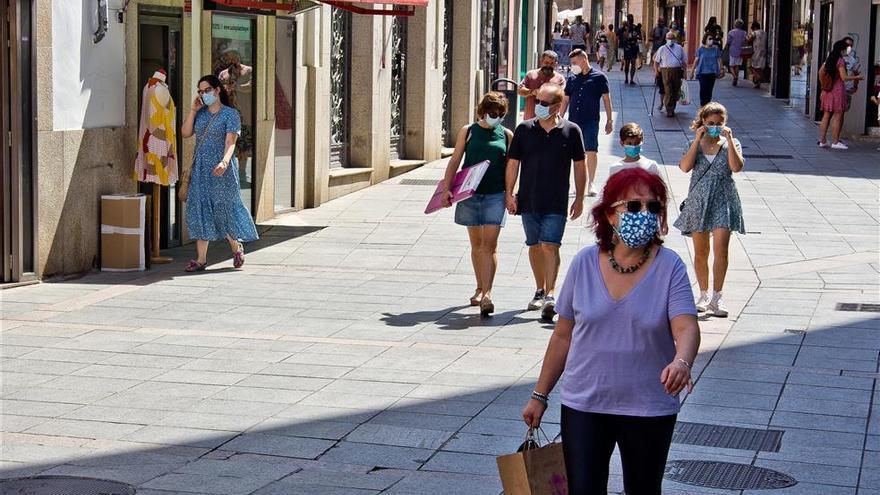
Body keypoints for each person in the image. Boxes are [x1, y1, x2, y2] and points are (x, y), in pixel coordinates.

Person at [521, 167, 700, 495]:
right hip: (585, 404)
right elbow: (562, 335)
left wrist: (682, 362)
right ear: (610, 215)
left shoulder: (670, 266)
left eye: (653, 207)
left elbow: (686, 326)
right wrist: (540, 395)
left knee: (643, 490)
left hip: (648, 405)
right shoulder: (584, 263)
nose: (644, 214)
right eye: (633, 207)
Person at [505, 84, 587, 321]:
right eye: (537, 101)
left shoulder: (571, 131)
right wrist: (509, 193)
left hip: (557, 200)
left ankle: (551, 293)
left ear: (557, 105)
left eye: (543, 103)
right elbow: (513, 163)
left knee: (551, 245)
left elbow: (579, 166)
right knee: (534, 245)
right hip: (529, 198)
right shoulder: (524, 129)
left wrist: (580, 197)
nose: (538, 106)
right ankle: (539, 289)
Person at [441, 92, 513, 316]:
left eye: (501, 114)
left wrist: (510, 194)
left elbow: (512, 166)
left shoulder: (507, 135)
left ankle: (487, 294)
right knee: (476, 245)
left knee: (489, 246)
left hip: (495, 195)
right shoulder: (468, 131)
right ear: (483, 111)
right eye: (493, 113)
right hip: (469, 195)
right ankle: (479, 287)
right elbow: (455, 160)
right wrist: (446, 188)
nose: (497, 117)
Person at [181, 75, 259, 272]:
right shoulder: (200, 114)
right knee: (200, 208)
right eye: (200, 91)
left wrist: (224, 161)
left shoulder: (230, 114)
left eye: (207, 90)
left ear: (217, 90)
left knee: (223, 209)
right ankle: (201, 260)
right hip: (200, 169)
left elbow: (230, 142)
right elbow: (185, 133)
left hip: (221, 169)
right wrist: (193, 110)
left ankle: (236, 246)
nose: (203, 94)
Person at [674, 102, 744, 317]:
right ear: (703, 122)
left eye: (718, 123)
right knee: (701, 250)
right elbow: (685, 167)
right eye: (710, 122)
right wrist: (697, 139)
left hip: (723, 199)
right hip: (699, 200)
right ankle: (703, 294)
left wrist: (730, 140)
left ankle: (717, 296)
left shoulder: (732, 142)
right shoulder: (694, 143)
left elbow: (736, 167)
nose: (714, 126)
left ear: (725, 123)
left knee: (721, 248)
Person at [561, 49, 613, 197]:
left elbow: (607, 100)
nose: (573, 66)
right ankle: (576, 183)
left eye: (575, 62)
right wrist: (559, 118)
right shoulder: (572, 79)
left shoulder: (600, 77)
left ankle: (591, 183)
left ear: (584, 60)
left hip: (591, 120)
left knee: (591, 151)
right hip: (573, 121)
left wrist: (609, 120)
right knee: (573, 153)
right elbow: (565, 100)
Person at [818, 40, 864, 150]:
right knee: (838, 116)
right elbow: (844, 77)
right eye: (846, 48)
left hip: (827, 90)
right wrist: (857, 78)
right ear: (842, 49)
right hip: (837, 91)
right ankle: (835, 142)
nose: (847, 50)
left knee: (826, 115)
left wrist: (823, 86)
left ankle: (822, 141)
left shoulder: (830, 59)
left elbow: (820, 72)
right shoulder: (840, 61)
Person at [518, 51, 567, 120]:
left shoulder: (560, 79)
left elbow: (561, 98)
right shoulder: (531, 75)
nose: (548, 66)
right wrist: (532, 92)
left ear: (556, 64)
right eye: (546, 63)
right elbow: (520, 91)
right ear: (541, 62)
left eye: (552, 63)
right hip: (530, 119)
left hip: (550, 121)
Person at [653, 31, 688, 117]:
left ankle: (672, 107)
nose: (670, 40)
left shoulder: (679, 48)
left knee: (676, 89)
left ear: (675, 39)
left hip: (677, 70)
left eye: (672, 38)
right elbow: (656, 61)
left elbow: (683, 61)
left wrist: (685, 72)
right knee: (668, 90)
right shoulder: (662, 48)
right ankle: (669, 109)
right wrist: (656, 72)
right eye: (668, 38)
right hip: (666, 70)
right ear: (666, 39)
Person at [691, 33, 724, 106]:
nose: (711, 40)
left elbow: (719, 59)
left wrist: (722, 69)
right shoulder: (700, 49)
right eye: (709, 39)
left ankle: (707, 106)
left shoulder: (715, 49)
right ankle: (702, 105)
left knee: (709, 91)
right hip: (702, 73)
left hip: (712, 73)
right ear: (705, 40)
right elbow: (696, 60)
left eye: (712, 39)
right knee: (703, 90)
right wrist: (692, 71)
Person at [649, 18, 670, 108]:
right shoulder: (654, 29)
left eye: (661, 22)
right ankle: (657, 77)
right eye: (659, 22)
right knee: (657, 65)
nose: (660, 23)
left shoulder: (667, 30)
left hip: (665, 51)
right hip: (656, 49)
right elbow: (650, 38)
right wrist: (653, 40)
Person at [726, 19, 748, 87]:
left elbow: (728, 42)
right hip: (740, 51)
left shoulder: (731, 32)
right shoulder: (744, 33)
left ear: (735, 24)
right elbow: (746, 41)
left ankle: (734, 76)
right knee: (737, 65)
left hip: (732, 50)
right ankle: (736, 77)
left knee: (731, 66)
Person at [621, 16, 641, 85]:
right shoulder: (624, 28)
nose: (631, 20)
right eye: (629, 19)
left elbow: (640, 36)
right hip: (627, 47)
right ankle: (626, 77)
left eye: (631, 19)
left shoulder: (636, 27)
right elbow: (622, 36)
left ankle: (631, 79)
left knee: (633, 63)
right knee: (627, 63)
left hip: (633, 47)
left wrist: (636, 37)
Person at [748, 22, 767, 89]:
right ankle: (758, 83)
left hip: (756, 51)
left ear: (754, 28)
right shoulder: (764, 33)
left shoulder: (755, 33)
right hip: (763, 52)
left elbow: (749, 40)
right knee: (760, 67)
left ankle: (758, 77)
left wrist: (747, 37)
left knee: (750, 66)